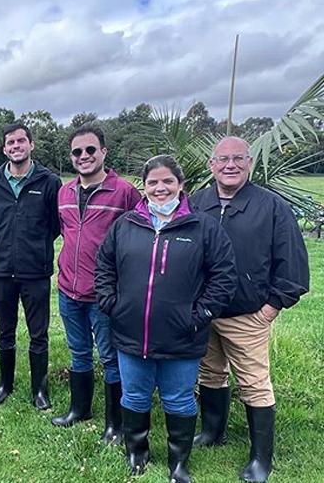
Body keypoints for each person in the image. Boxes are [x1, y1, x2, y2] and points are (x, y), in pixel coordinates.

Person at [96, 155, 236, 483]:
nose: (161, 188)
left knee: (179, 399)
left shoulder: (203, 227)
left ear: (180, 184)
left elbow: (224, 276)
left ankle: (178, 461)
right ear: (144, 187)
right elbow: (104, 266)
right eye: (153, 182)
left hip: (183, 335)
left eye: (168, 181)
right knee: (134, 396)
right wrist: (111, 303)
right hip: (131, 333)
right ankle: (137, 452)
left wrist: (200, 315)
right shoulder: (126, 225)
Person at [190, 137, 309, 483]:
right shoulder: (197, 203)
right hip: (205, 312)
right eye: (223, 159)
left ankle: (261, 459)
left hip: (248, 315)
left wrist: (270, 309)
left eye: (238, 159)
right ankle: (213, 432)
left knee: (254, 383)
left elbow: (292, 263)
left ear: (250, 163)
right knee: (210, 373)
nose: (231, 165)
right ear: (212, 165)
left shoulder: (271, 207)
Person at [52, 126, 141, 443]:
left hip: (104, 294)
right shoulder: (64, 192)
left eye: (90, 149)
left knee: (110, 357)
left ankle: (115, 424)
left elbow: (139, 238)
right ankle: (80, 409)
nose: (84, 156)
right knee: (79, 352)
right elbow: (65, 233)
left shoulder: (124, 192)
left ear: (104, 151)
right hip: (68, 289)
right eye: (77, 151)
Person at [0, 123, 61, 410]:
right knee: (5, 331)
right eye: (10, 143)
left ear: (31, 145)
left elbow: (55, 225)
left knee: (38, 334)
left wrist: (35, 247)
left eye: (20, 141)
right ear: (4, 149)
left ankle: (39, 390)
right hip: (2, 271)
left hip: (35, 271)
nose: (16, 146)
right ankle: (5, 384)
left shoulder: (49, 182)